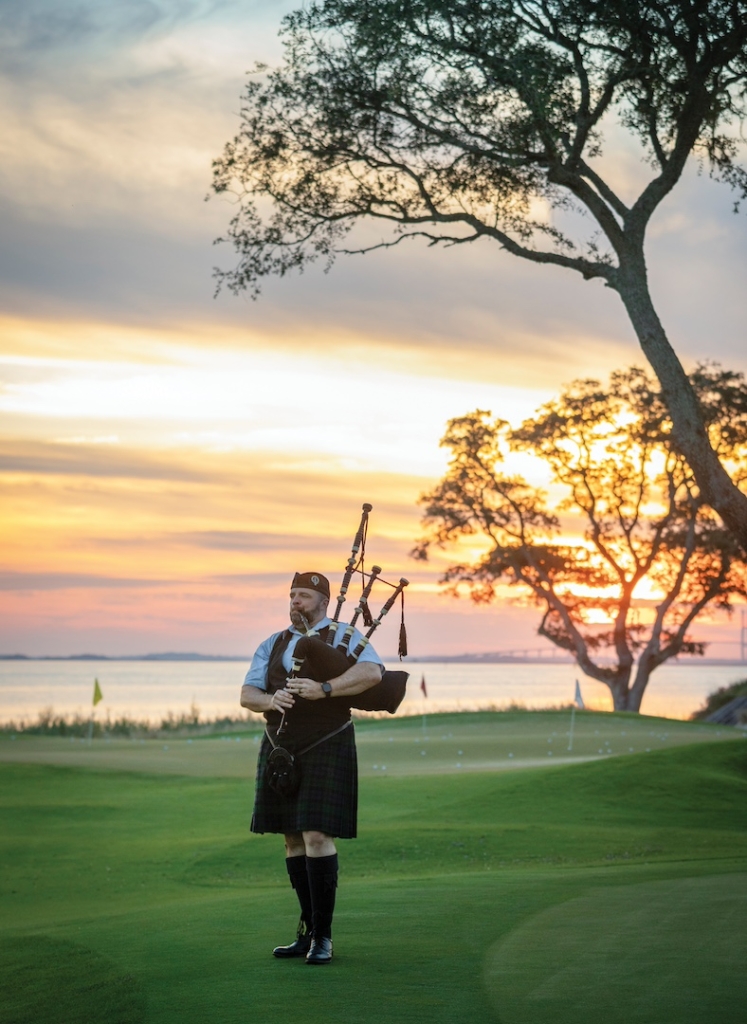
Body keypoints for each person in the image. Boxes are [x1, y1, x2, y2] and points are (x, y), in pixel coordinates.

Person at [240, 571, 383, 965]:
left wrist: (325, 689)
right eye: (292, 595)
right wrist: (271, 701)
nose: (296, 602)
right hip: (279, 745)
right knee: (292, 839)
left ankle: (324, 937)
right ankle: (306, 930)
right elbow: (247, 693)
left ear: (323, 601)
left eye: (303, 595)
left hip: (327, 741)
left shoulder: (344, 637)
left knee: (317, 835)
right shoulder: (273, 642)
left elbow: (373, 672)